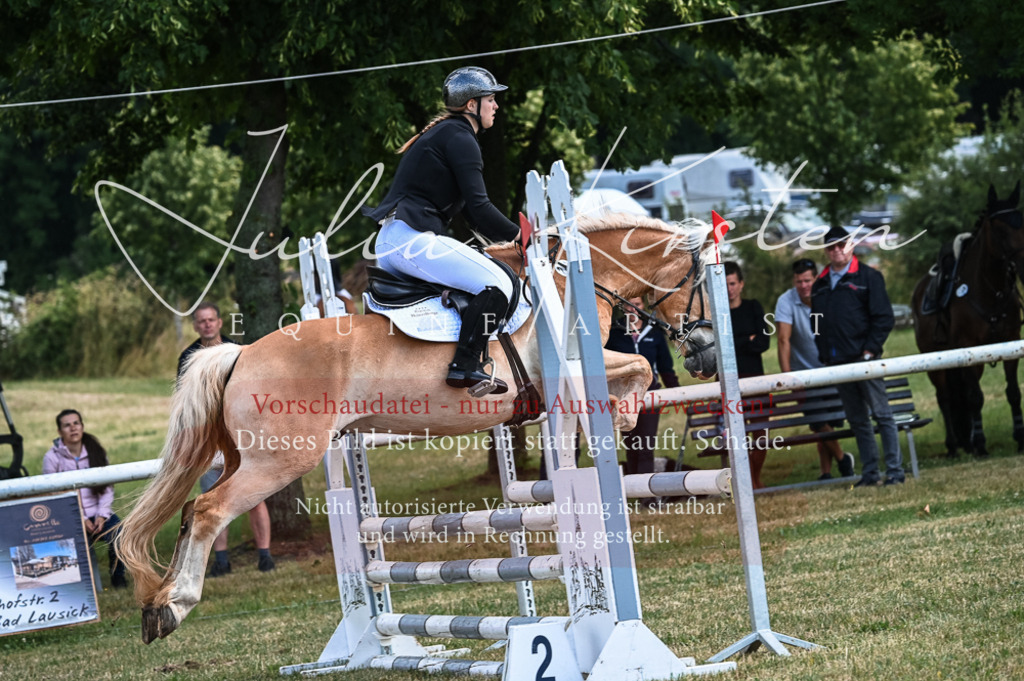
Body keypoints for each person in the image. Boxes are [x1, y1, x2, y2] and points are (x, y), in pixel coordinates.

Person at [364, 66, 521, 393]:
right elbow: (480, 207)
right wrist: (522, 236)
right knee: (498, 284)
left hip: (399, 239)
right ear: (471, 105)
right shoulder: (461, 137)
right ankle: (465, 366)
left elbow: (476, 218)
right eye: (490, 99)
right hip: (411, 240)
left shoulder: (448, 134)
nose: (496, 106)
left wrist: (509, 234)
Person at [178, 302, 275, 575]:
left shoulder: (238, 352)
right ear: (196, 326)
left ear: (219, 322)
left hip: (243, 435)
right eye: (202, 321)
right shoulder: (189, 357)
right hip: (210, 439)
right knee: (214, 498)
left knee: (255, 495)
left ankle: (265, 557)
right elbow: (185, 404)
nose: (207, 324)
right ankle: (221, 561)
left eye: (211, 319)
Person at [811, 227, 904, 486]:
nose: (837, 250)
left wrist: (869, 350)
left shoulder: (869, 277)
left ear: (851, 246)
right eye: (831, 247)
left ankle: (895, 471)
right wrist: (822, 349)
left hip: (865, 361)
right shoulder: (819, 284)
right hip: (837, 362)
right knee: (857, 420)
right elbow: (815, 321)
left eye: (842, 244)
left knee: (882, 415)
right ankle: (871, 473)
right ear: (826, 251)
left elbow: (884, 317)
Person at [775, 258, 855, 480]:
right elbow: (783, 340)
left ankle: (826, 472)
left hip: (831, 368)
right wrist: (788, 377)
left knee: (826, 422)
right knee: (819, 421)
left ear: (816, 278)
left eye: (807, 280)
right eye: (799, 281)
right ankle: (843, 460)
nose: (803, 285)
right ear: (794, 281)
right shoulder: (786, 301)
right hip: (803, 375)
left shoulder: (828, 295)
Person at [42, 409, 127, 589]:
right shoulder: (51, 458)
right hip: (69, 515)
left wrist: (102, 515)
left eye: (76, 423)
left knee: (121, 534)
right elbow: (54, 495)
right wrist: (79, 518)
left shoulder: (96, 451)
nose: (73, 428)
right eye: (67, 425)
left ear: (82, 426)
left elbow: (107, 487)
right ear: (59, 432)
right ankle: (79, 585)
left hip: (99, 513)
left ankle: (118, 577)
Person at [605, 298, 680, 478]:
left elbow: (665, 367)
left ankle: (647, 496)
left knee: (645, 446)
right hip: (623, 397)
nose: (633, 309)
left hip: (649, 395)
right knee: (632, 446)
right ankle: (635, 490)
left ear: (643, 306)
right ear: (622, 307)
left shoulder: (654, 332)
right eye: (629, 305)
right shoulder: (613, 333)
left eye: (637, 305)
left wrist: (678, 393)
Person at [724, 262, 771, 489]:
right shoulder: (718, 314)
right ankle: (745, 482)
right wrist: (747, 339)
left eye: (733, 283)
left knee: (760, 434)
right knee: (736, 436)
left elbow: (763, 342)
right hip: (729, 380)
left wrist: (737, 342)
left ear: (741, 284)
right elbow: (721, 349)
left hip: (755, 379)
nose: (729, 289)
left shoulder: (753, 307)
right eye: (725, 285)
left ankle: (754, 478)